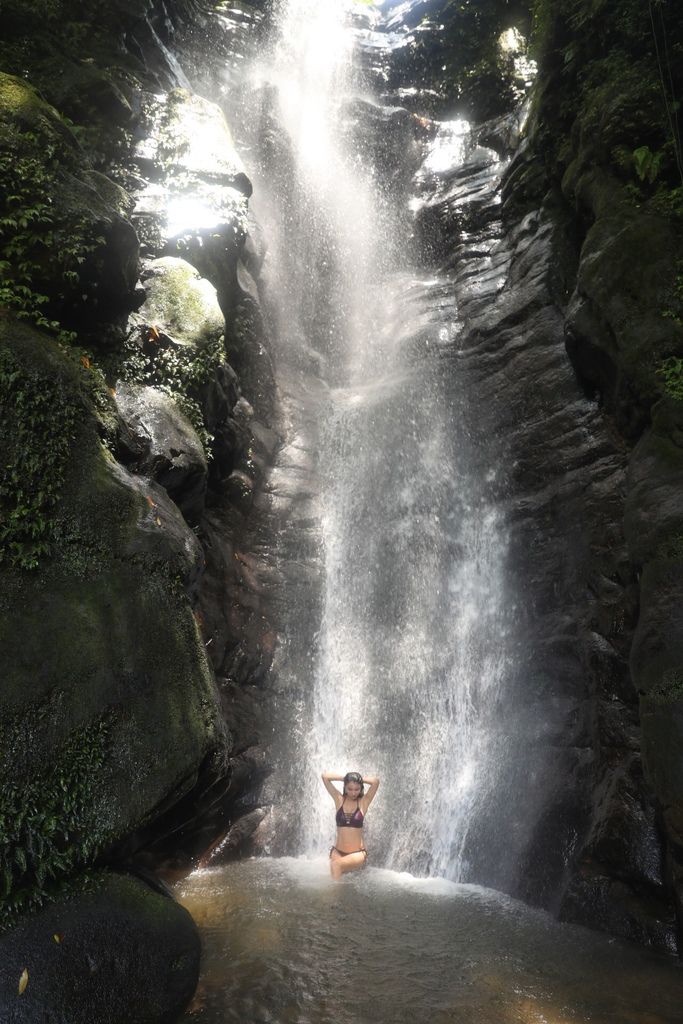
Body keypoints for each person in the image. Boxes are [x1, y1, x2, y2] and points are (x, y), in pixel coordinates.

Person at [321, 770, 379, 880]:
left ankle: (334, 897)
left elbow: (375, 782)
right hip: (337, 852)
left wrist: (358, 778)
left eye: (357, 789)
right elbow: (325, 776)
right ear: (345, 787)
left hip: (357, 854)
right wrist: (346, 778)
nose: (353, 793)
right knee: (336, 866)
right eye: (350, 789)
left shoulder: (363, 802)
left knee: (336, 865)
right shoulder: (339, 800)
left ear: (361, 788)